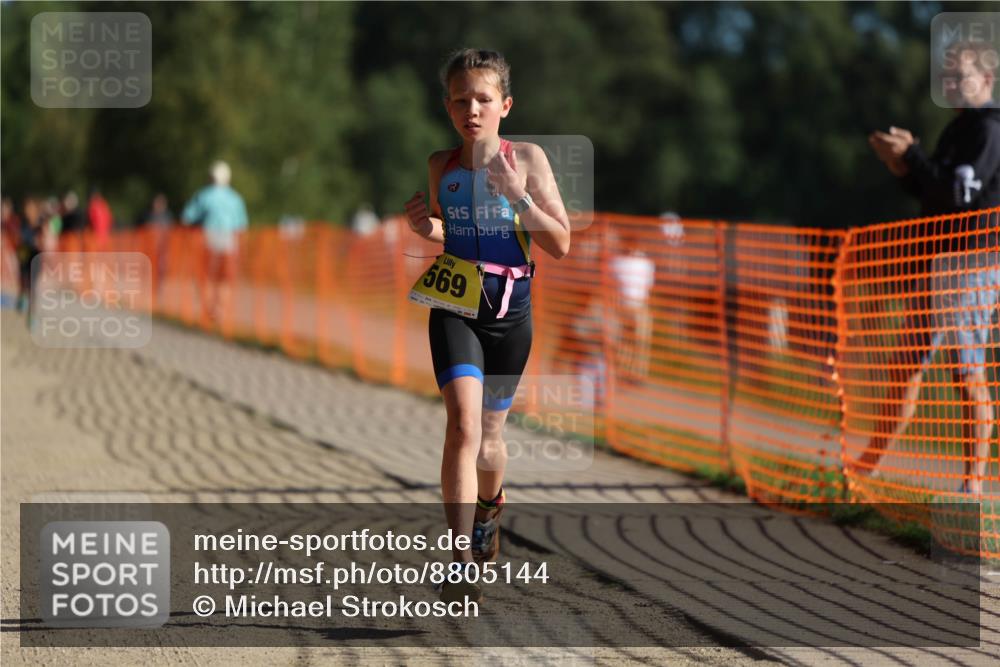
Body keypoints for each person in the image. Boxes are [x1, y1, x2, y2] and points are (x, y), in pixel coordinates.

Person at [403, 48, 570, 603]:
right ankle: (460, 561)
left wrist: (518, 195)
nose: (471, 110)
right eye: (460, 100)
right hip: (456, 308)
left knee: (491, 440)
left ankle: (488, 511)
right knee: (463, 426)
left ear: (505, 105)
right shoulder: (441, 165)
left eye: (482, 99)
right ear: (447, 107)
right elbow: (448, 230)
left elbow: (560, 243)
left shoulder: (528, 159)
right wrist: (424, 227)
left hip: (511, 316)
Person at [860, 41, 1000, 495]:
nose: (953, 84)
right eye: (949, 77)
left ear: (987, 80)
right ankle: (866, 467)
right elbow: (934, 193)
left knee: (966, 371)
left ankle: (972, 486)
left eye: (962, 76)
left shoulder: (989, 129)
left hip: (972, 262)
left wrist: (914, 156)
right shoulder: (959, 128)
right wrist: (903, 166)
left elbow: (960, 195)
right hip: (937, 260)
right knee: (905, 364)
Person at [181, 161, 248, 325]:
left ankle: (209, 309)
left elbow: (187, 217)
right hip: (229, 241)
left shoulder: (204, 195)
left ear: (211, 177)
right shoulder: (235, 198)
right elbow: (242, 225)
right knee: (225, 277)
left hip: (208, 239)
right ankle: (220, 311)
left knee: (208, 275)